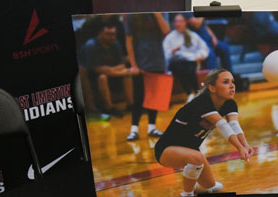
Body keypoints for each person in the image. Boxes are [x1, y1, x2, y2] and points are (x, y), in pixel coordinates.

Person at [154, 69, 254, 197]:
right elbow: (222, 125)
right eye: (225, 82)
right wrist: (239, 148)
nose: (232, 86)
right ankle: (187, 194)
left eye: (232, 81)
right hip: (166, 150)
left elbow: (234, 125)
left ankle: (192, 181)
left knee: (210, 185)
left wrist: (245, 145)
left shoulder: (229, 103)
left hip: (192, 150)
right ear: (212, 88)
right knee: (197, 158)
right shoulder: (202, 102)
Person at [124, 13, 171, 141]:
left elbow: (166, 30)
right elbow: (129, 40)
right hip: (141, 63)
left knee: (154, 98)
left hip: (157, 61)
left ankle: (152, 127)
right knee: (138, 97)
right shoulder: (132, 15)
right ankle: (134, 130)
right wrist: (133, 65)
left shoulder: (160, 13)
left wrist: (157, 13)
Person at [79, 22, 133, 116]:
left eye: (113, 34)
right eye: (108, 34)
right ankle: (109, 108)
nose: (112, 37)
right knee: (103, 77)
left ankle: (131, 105)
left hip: (112, 74)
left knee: (127, 76)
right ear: (100, 34)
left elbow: (122, 65)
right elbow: (98, 69)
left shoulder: (115, 44)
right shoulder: (91, 45)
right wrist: (120, 72)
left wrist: (110, 70)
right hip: (93, 78)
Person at [163, 14, 210, 103]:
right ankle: (190, 93)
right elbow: (165, 55)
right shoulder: (170, 37)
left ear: (185, 23)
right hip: (175, 63)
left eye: (180, 22)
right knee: (179, 67)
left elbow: (204, 49)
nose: (178, 24)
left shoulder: (192, 35)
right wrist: (172, 52)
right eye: (176, 22)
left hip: (190, 61)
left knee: (189, 67)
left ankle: (196, 92)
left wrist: (199, 56)